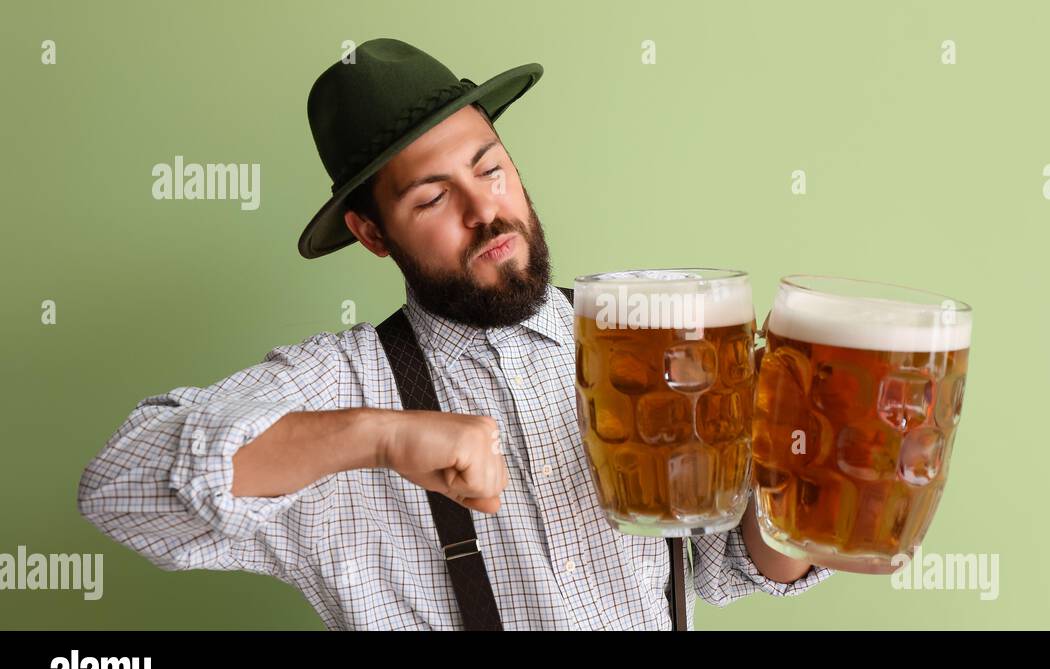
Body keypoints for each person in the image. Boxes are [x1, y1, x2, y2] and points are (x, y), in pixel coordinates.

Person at [78, 38, 833, 630]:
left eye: (490, 169)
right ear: (372, 233)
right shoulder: (345, 384)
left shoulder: (640, 338)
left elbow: (732, 564)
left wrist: (786, 465)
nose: (486, 212)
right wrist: (377, 438)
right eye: (434, 197)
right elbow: (117, 487)